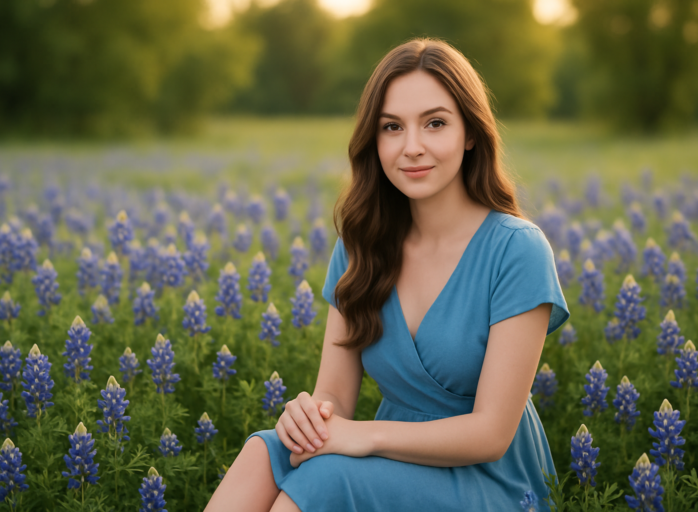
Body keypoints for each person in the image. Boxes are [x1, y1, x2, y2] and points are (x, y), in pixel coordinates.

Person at [206, 36, 570, 512]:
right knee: (266, 449)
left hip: (490, 481)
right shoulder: (361, 246)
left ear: (471, 133)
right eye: (392, 127)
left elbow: (490, 434)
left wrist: (361, 437)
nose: (411, 147)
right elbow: (334, 393)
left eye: (435, 123)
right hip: (390, 459)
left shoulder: (516, 250)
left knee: (327, 480)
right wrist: (308, 418)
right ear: (373, 140)